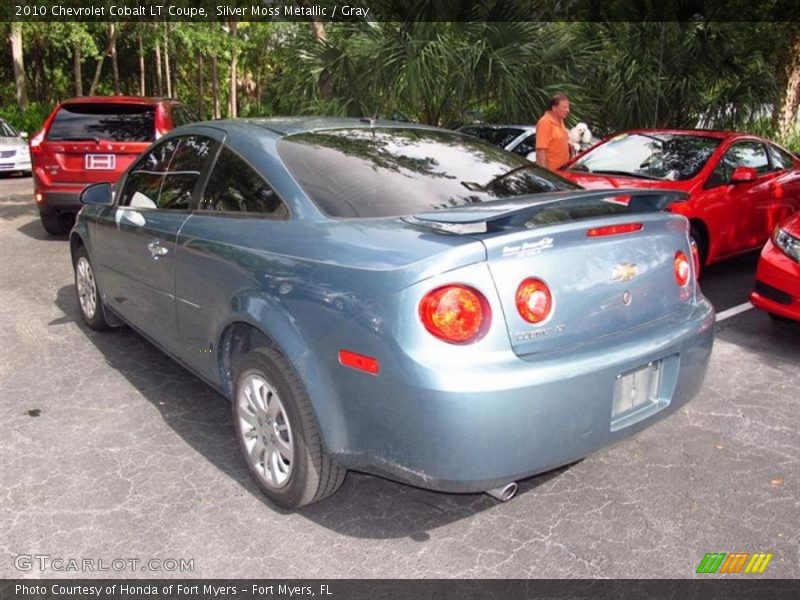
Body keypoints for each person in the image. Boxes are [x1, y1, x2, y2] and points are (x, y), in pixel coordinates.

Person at [535, 94, 571, 171]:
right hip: (552, 173)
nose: (568, 110)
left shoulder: (560, 120)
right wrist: (545, 174)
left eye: (568, 107)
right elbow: (541, 151)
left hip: (563, 171)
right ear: (554, 108)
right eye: (565, 107)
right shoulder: (545, 122)